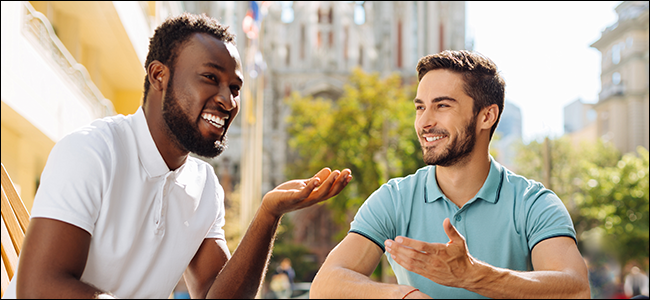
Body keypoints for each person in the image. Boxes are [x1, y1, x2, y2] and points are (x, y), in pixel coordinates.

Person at [3, 12, 352, 299]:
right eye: (209, 78)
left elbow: (217, 295)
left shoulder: (204, 186)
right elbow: (38, 289)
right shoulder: (91, 152)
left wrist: (268, 214)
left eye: (234, 88)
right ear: (159, 76)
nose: (228, 102)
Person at [310, 50, 590, 299]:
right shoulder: (394, 199)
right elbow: (325, 286)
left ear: (487, 116)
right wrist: (405, 295)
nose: (425, 122)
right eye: (420, 107)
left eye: (442, 105)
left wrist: (473, 276)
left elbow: (576, 289)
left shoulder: (533, 203)